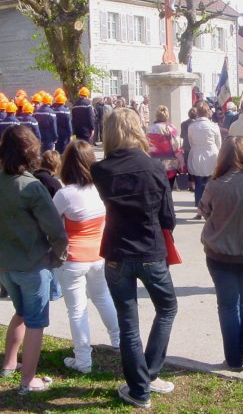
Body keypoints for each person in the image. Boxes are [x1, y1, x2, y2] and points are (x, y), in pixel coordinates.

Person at [92, 108, 178, 410]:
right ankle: (148, 375)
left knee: (129, 324)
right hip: (149, 249)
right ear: (137, 129)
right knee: (167, 307)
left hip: (116, 250)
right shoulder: (153, 167)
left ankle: (141, 387)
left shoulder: (100, 170)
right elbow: (168, 217)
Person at [0, 125, 68, 394]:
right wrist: (57, 256)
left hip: (4, 265)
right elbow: (56, 230)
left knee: (21, 313)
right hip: (32, 265)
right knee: (36, 322)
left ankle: (9, 364)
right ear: (31, 151)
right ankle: (28, 379)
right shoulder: (32, 187)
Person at [199, 136, 243, 369]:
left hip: (221, 253)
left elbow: (204, 210)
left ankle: (233, 358)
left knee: (228, 305)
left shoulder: (215, 184)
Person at [52, 140, 120, 374]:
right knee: (102, 297)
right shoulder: (101, 190)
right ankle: (119, 341)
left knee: (77, 309)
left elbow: (51, 224)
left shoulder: (65, 194)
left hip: (72, 258)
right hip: (98, 255)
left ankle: (83, 359)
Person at [188, 101, 222, 218]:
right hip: (212, 155)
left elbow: (191, 142)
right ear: (208, 112)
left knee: (198, 184)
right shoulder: (214, 126)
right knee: (211, 184)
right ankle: (211, 209)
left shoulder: (192, 126)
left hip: (197, 154)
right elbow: (219, 144)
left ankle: (199, 210)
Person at [147, 105, 184, 190]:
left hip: (154, 163)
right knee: (168, 190)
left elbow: (147, 147)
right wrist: (182, 162)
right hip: (170, 164)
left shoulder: (151, 129)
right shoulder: (171, 128)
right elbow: (177, 147)